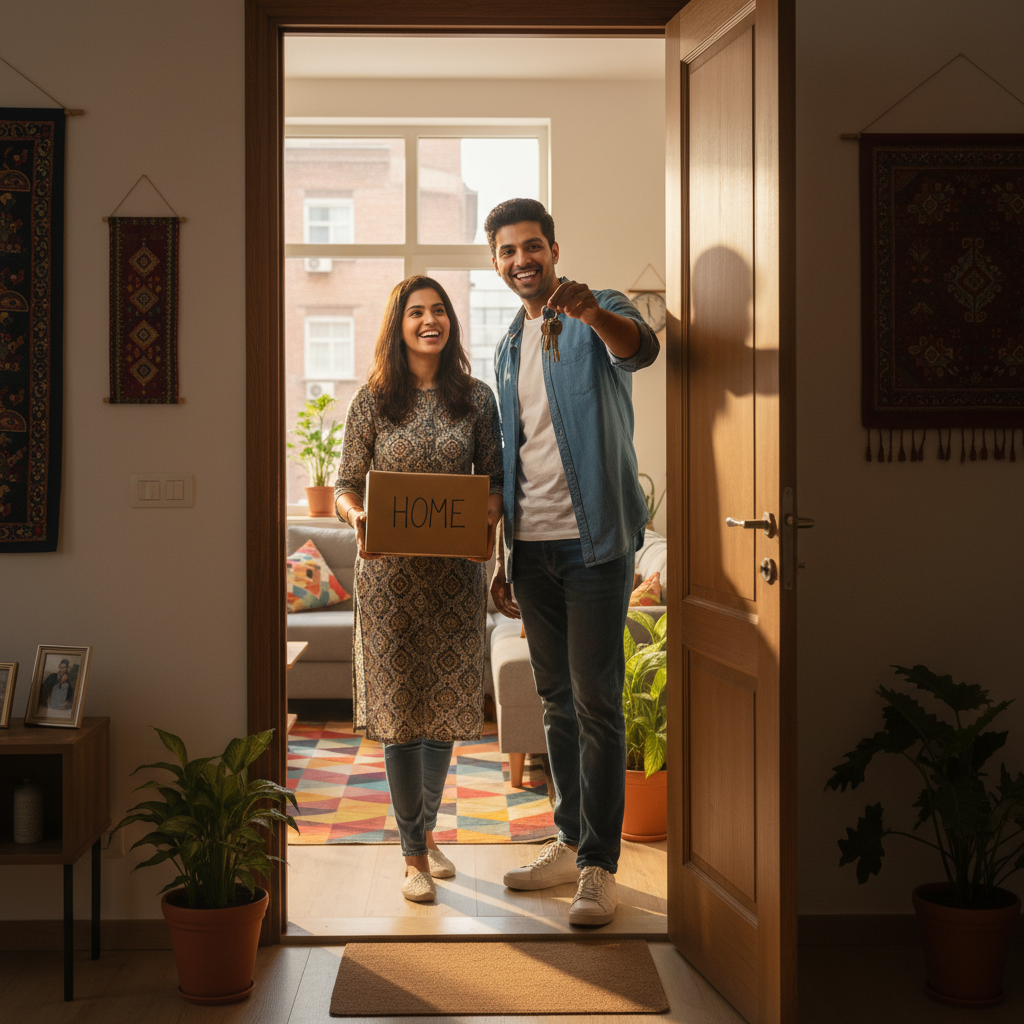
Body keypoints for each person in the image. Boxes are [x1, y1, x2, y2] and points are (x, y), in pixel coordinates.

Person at [484, 198, 660, 926]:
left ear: (554, 249)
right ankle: (566, 840)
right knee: (556, 702)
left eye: (532, 246)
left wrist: (591, 313)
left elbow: (640, 349)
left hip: (596, 550)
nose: (521, 259)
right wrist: (502, 557)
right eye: (507, 251)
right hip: (531, 551)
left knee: (596, 702)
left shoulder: (599, 310)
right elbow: (512, 459)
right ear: (495, 262)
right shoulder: (504, 347)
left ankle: (599, 866)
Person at [335, 275, 503, 903]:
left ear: (450, 322)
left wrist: (487, 516)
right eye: (416, 312)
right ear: (397, 324)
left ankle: (425, 832)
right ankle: (413, 855)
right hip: (388, 582)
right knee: (402, 717)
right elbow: (348, 484)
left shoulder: (477, 399)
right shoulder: (374, 399)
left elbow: (492, 481)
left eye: (438, 311)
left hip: (454, 582)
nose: (429, 320)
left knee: (441, 717)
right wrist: (358, 520)